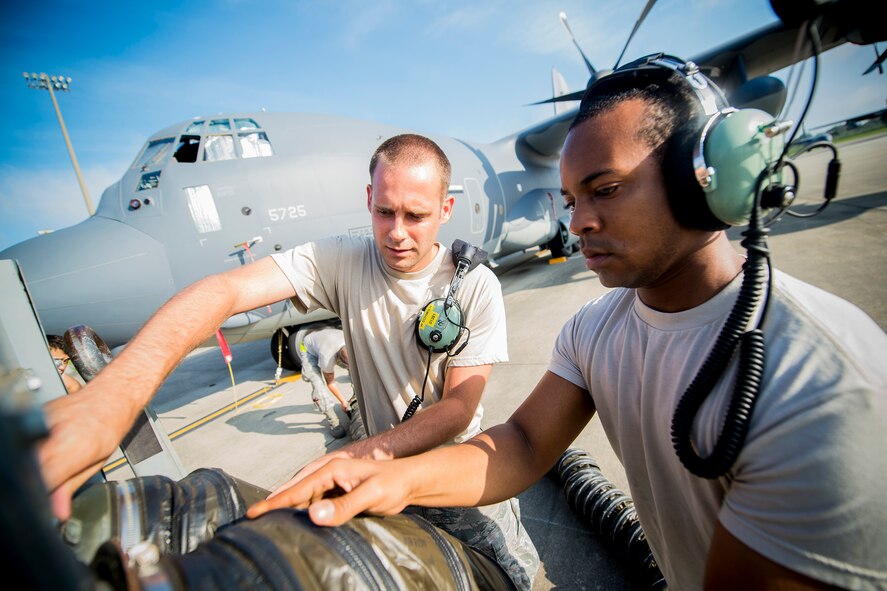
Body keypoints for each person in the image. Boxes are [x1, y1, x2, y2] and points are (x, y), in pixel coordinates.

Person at [247, 57, 887, 590]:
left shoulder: (823, 382)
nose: (577, 221)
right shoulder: (594, 331)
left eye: (605, 189)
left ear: (701, 183)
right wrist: (386, 476)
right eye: (573, 198)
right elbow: (522, 444)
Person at [37, 133, 539, 589]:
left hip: (448, 468)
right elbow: (224, 290)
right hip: (372, 462)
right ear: (368, 199)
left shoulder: (474, 286)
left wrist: (359, 455)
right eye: (385, 212)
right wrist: (115, 396)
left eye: (416, 216)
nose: (397, 233)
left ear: (446, 209)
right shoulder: (344, 259)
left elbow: (458, 406)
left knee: (507, 577)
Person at [294, 321, 350, 438]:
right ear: (337, 360)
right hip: (307, 347)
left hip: (325, 339)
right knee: (318, 385)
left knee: (356, 372)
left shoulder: (352, 342)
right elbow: (331, 383)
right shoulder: (327, 358)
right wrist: (343, 402)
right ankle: (333, 422)